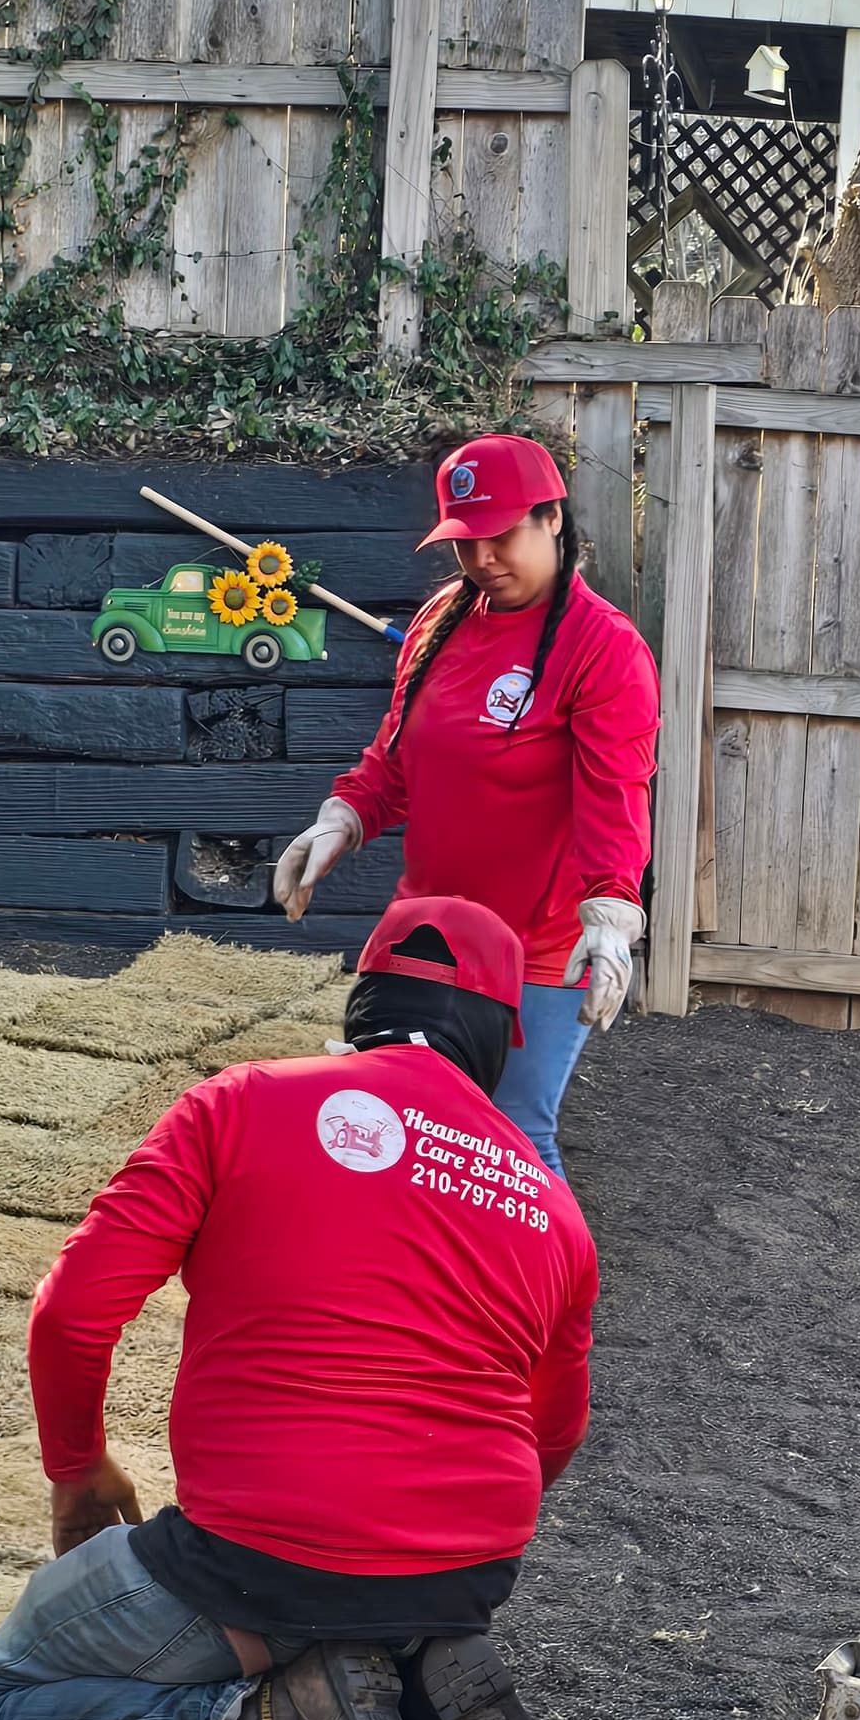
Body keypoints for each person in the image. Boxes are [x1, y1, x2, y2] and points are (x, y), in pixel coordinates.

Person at [0, 896, 598, 1720]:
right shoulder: (553, 1209)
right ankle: (403, 1645)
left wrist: (79, 1466)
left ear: (365, 997)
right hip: (468, 1566)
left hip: (261, 1553)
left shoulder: (240, 1102)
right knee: (360, 1588)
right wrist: (427, 1538)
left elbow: (73, 1310)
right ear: (504, 1037)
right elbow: (554, 1435)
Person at [272, 434, 660, 1177]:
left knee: (510, 1139)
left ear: (553, 519)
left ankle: (547, 1293)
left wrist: (613, 913)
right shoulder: (443, 619)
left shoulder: (604, 649)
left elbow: (616, 798)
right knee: (399, 1125)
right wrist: (343, 818)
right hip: (429, 931)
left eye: (502, 535)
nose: (483, 559)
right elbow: (397, 756)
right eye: (465, 541)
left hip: (539, 951)